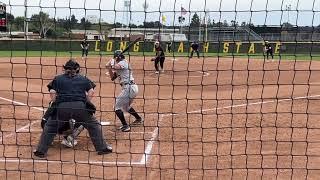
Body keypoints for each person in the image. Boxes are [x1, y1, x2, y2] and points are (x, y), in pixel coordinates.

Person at [34, 59, 112, 158]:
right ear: (77, 69)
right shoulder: (83, 78)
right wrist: (87, 102)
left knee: (50, 127)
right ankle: (102, 148)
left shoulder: (58, 79)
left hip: (62, 107)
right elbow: (91, 91)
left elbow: (52, 92)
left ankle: (40, 151)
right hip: (80, 107)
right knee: (93, 126)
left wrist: (56, 102)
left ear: (65, 69)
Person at [105, 50, 143, 132]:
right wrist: (109, 68)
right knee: (125, 107)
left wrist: (111, 63)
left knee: (116, 107)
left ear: (117, 58)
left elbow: (115, 66)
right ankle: (138, 119)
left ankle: (125, 126)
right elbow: (112, 77)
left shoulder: (123, 62)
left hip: (129, 87)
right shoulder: (120, 64)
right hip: (131, 88)